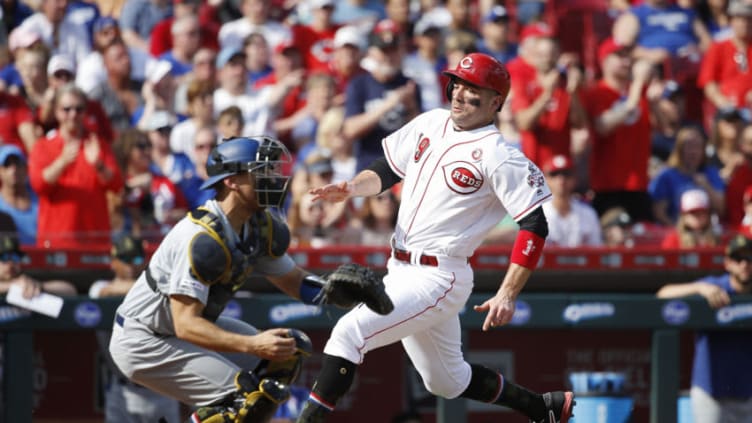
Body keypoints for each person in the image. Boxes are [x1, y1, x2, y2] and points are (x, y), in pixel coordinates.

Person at [296, 53, 574, 423]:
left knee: (349, 332)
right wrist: (351, 187)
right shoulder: (431, 121)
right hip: (400, 267)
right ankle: (545, 408)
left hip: (438, 274)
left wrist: (507, 293)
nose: (459, 93)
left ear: (495, 102)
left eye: (472, 88)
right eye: (457, 83)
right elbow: (387, 170)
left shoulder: (500, 154)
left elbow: (535, 225)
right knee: (446, 380)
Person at [108, 136, 380, 422]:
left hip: (179, 328)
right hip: (143, 338)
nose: (273, 179)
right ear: (232, 181)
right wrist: (252, 344)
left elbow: (293, 281)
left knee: (287, 353)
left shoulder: (258, 225)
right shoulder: (201, 239)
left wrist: (338, 292)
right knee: (242, 400)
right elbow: (186, 324)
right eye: (261, 172)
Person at [656, 234, 752, 422]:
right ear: (727, 263)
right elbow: (662, 295)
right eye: (738, 259)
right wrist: (699, 288)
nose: (744, 264)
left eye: (749, 258)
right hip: (710, 392)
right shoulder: (714, 286)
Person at [88, 233, 182, 423]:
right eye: (124, 259)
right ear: (113, 262)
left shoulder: (161, 286)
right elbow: (102, 292)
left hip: (162, 391)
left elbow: (174, 289)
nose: (130, 265)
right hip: (123, 389)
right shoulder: (100, 287)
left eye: (136, 259)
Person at [0, 232, 76, 296]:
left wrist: (40, 286)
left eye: (15, 257)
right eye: (4, 257)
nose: (10, 263)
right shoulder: (18, 283)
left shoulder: (26, 280)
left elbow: (71, 290)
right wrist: (13, 285)